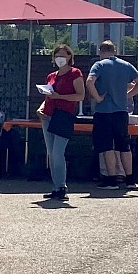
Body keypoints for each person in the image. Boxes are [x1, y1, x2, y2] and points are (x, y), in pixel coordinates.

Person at [85, 40, 138, 189]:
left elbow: (89, 81)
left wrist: (98, 97)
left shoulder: (99, 65)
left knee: (107, 147)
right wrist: (127, 95)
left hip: (103, 111)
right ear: (114, 51)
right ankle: (130, 180)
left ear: (101, 51)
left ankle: (111, 180)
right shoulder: (125, 65)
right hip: (121, 112)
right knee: (124, 146)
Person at [38, 43, 84, 201]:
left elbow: (80, 96)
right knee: (51, 154)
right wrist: (41, 108)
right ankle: (56, 187)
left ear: (70, 57)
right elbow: (48, 95)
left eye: (64, 55)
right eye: (58, 56)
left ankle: (62, 186)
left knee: (58, 153)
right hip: (48, 115)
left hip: (64, 115)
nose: (61, 59)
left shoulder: (75, 73)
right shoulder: (51, 76)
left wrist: (60, 97)